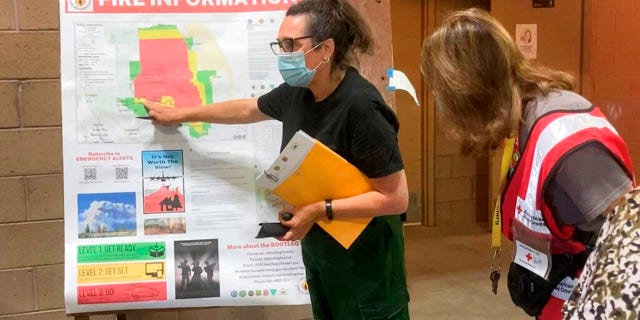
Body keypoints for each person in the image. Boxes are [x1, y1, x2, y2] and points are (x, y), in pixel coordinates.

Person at [143, 0, 410, 318]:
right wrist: (180, 114)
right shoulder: (298, 93)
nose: (284, 55)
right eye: (280, 45)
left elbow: (395, 198)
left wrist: (317, 209)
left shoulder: (361, 106)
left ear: (326, 49)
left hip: (367, 259)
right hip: (323, 249)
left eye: (291, 45)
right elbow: (247, 109)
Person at [420, 8, 634, 320]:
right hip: (562, 296)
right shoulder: (524, 122)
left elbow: (631, 235)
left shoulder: (565, 138)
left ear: (469, 93)